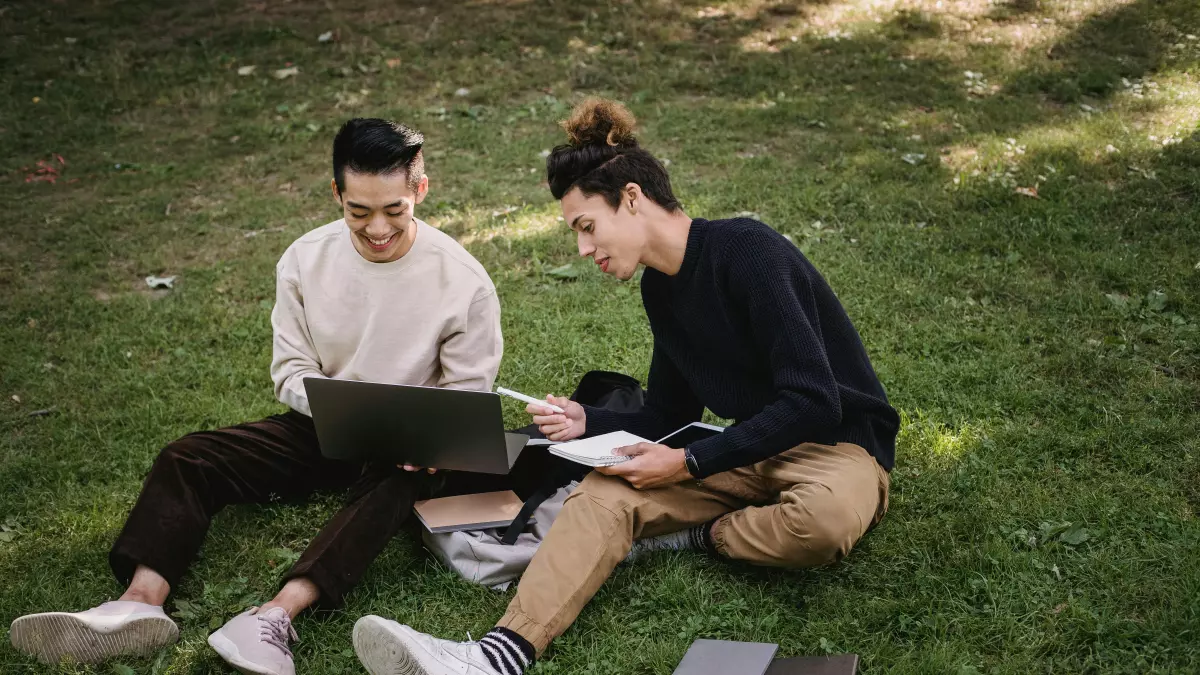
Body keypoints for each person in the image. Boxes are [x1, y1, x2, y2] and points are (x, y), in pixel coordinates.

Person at [350, 98, 902, 675]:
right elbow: (670, 411)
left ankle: (694, 536)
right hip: (745, 450)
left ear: (632, 197)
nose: (583, 249)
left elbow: (815, 400)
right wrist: (590, 421)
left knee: (823, 524)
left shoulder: (748, 252)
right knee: (600, 496)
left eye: (587, 227)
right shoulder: (661, 290)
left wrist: (689, 461)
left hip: (839, 448)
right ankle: (495, 657)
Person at [9, 118, 514, 674]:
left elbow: (466, 394)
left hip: (408, 447)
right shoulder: (305, 259)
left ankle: (276, 616)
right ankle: (138, 603)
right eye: (358, 211)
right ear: (336, 195)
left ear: (420, 190)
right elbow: (292, 370)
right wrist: (342, 409)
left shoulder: (464, 281)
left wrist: (425, 439)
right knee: (189, 456)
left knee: (395, 489)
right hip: (325, 424)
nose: (377, 229)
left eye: (394, 210)